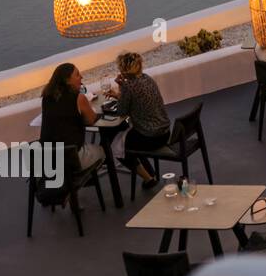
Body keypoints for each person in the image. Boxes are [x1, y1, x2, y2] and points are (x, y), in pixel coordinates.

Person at [104, 52, 170, 190]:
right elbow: (137, 100)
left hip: (150, 137)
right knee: (124, 135)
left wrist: (121, 88)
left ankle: (148, 178)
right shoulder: (148, 79)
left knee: (116, 147)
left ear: (123, 69)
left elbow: (122, 111)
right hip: (164, 132)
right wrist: (119, 94)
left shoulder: (128, 87)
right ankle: (149, 172)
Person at [39, 63, 104, 172]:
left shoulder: (46, 97)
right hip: (71, 159)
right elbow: (91, 120)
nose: (81, 77)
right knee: (102, 151)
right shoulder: (78, 98)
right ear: (67, 80)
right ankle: (85, 178)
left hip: (48, 160)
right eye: (77, 75)